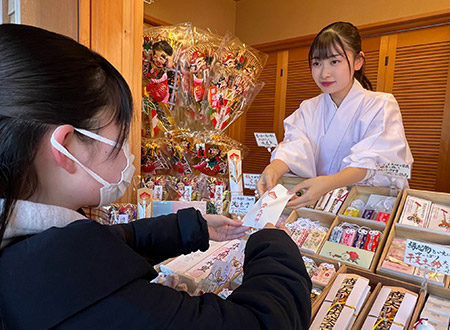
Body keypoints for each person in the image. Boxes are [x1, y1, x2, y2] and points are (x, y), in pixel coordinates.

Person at [0, 24, 312, 329]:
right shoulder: (67, 281)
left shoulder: (27, 242)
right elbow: (261, 322)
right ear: (65, 147)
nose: (129, 156)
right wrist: (275, 243)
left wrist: (191, 228)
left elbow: (112, 242)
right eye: (120, 141)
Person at [258, 21, 413, 209]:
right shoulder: (308, 108)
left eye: (334, 61)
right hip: (316, 206)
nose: (324, 73)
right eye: (317, 63)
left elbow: (375, 160)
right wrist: (273, 168)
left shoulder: (381, 104)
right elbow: (295, 147)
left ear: (358, 61)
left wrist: (327, 184)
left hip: (359, 205)